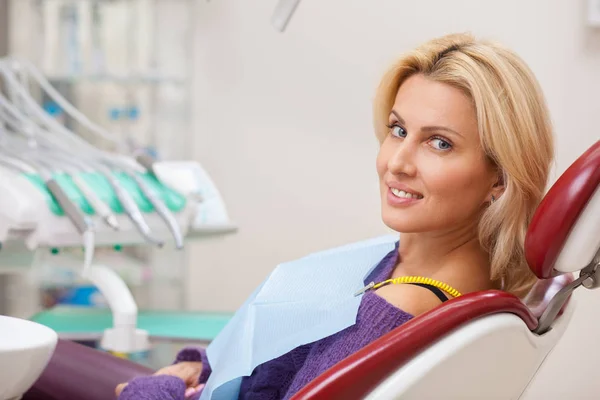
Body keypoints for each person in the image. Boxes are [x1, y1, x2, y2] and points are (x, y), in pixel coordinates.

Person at [115, 32, 554, 400]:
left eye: (439, 143)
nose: (397, 163)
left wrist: (157, 388)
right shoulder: (420, 270)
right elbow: (289, 351)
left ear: (500, 176)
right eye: (398, 130)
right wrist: (202, 367)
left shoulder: (398, 311)